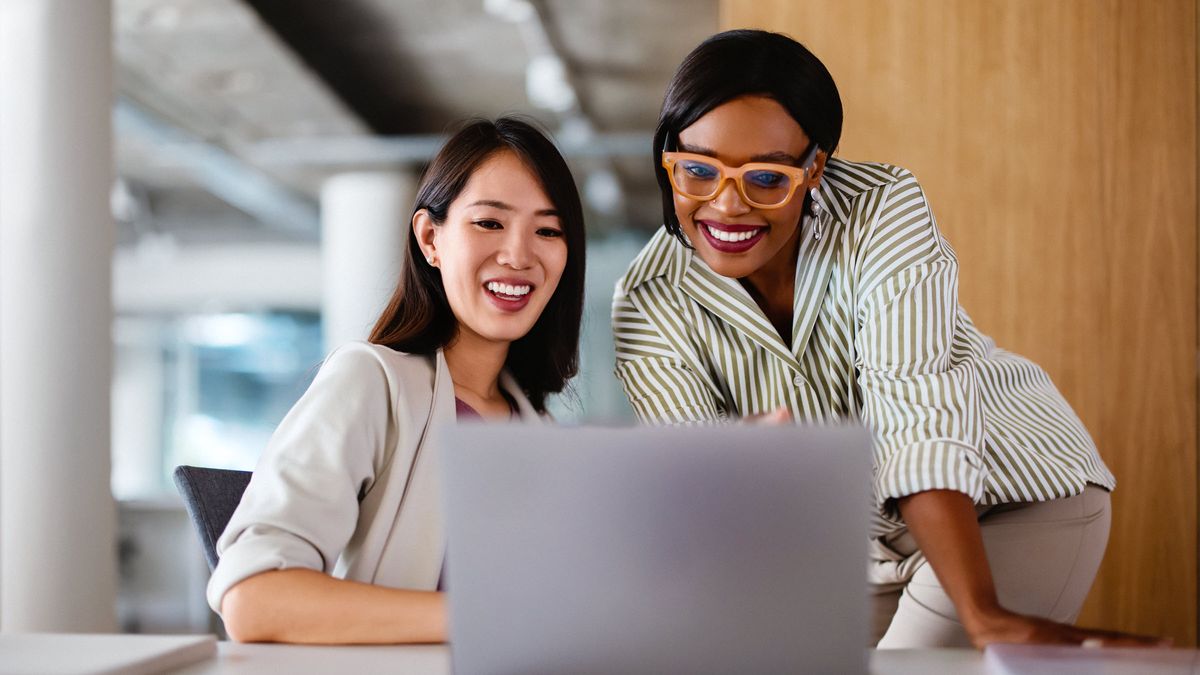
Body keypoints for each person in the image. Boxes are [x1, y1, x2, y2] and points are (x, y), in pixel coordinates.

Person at [612, 29, 1165, 649]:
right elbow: (708, 489)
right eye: (697, 170)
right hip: (863, 548)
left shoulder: (882, 209)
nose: (726, 206)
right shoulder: (648, 299)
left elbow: (915, 412)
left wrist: (983, 614)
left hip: (1010, 502)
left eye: (766, 179)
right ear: (669, 158)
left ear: (814, 166)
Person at [208, 117, 586, 644]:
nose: (519, 255)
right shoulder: (371, 381)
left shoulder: (537, 426)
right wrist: (484, 618)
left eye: (548, 230)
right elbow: (254, 598)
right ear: (431, 238)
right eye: (489, 223)